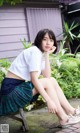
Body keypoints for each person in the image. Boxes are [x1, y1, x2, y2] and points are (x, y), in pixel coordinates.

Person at [0, 29, 80, 128]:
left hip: (18, 88)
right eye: (45, 39)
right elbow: (34, 79)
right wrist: (49, 100)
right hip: (10, 93)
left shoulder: (39, 54)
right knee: (46, 82)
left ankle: (71, 111)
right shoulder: (34, 52)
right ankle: (63, 118)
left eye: (51, 40)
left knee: (52, 80)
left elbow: (47, 76)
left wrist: (47, 55)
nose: (48, 43)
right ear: (39, 40)